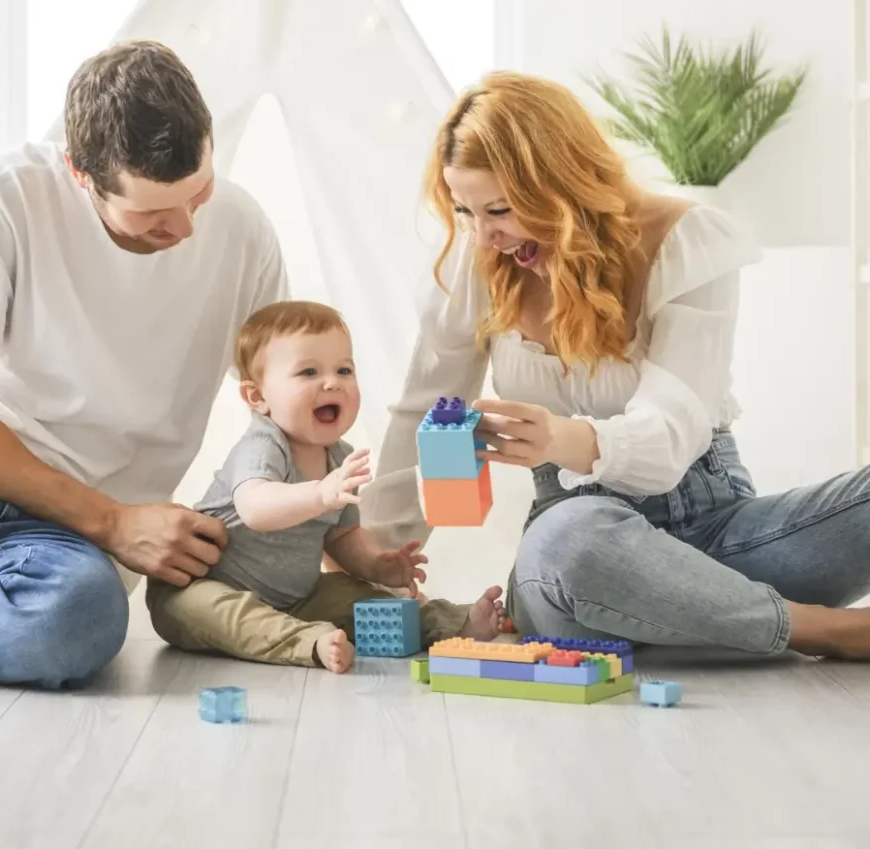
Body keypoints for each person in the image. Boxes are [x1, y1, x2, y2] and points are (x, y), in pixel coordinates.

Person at [362, 70, 870, 661]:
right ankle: (824, 629)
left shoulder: (683, 240)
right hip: (579, 561)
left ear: (562, 179)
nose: (483, 237)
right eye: (465, 211)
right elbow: (421, 409)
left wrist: (559, 435)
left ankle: (710, 616)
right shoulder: (476, 270)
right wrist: (378, 559)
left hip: (718, 535)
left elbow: (673, 433)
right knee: (568, 540)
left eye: (499, 209)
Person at [0, 40, 288, 688]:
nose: (186, 228)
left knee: (77, 619)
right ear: (81, 173)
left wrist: (332, 526)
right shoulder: (2, 197)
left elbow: (283, 398)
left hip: (53, 538)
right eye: (152, 215)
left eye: (197, 193)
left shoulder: (243, 232)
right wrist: (114, 522)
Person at [147, 300, 504, 673]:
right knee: (221, 613)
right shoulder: (265, 444)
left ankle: (451, 624)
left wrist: (379, 565)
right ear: (258, 398)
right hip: (201, 586)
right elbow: (255, 508)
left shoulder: (338, 458)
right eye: (308, 372)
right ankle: (308, 643)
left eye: (344, 370)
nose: (332, 381)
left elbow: (342, 540)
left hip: (296, 598)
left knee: (361, 598)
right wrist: (320, 494)